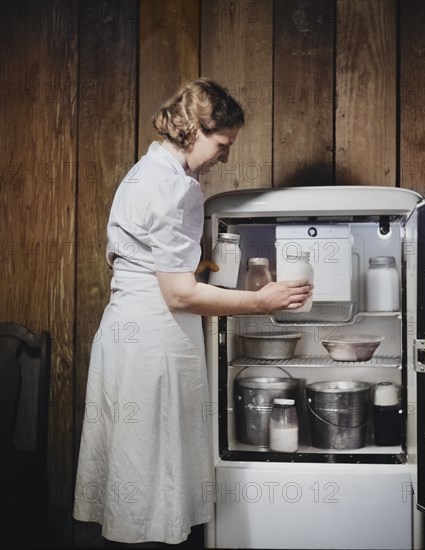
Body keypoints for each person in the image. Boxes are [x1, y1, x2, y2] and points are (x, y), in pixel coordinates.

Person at [72, 78, 312, 546]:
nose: (225, 156)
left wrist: (197, 265)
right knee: (154, 473)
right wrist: (261, 301)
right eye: (222, 144)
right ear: (194, 130)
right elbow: (180, 295)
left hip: (126, 330)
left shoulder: (144, 171)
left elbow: (141, 258)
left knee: (134, 468)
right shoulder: (177, 188)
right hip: (155, 340)